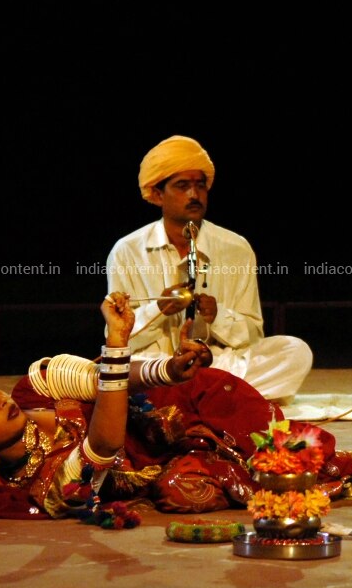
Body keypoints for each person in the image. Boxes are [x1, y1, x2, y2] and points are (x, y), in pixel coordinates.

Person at [0, 292, 352, 520]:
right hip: (171, 450)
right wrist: (118, 339)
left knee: (270, 399)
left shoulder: (33, 386)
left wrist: (168, 370)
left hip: (174, 399)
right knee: (182, 491)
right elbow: (103, 445)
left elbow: (100, 376)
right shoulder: (47, 485)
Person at [107, 135, 312, 403]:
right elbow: (118, 337)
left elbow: (253, 334)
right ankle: (216, 397)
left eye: (200, 186)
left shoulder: (236, 248)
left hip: (216, 364)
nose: (194, 195)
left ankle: (191, 396)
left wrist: (218, 318)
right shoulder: (127, 250)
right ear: (157, 195)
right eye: (182, 186)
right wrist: (159, 308)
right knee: (120, 368)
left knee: (295, 351)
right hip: (157, 367)